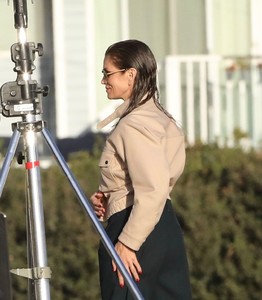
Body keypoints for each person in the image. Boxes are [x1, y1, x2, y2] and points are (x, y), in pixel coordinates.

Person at [90, 39, 192, 300]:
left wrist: (127, 242)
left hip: (134, 228)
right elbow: (158, 181)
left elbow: (153, 187)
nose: (103, 80)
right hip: (164, 227)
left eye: (108, 73)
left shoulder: (134, 124)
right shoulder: (161, 118)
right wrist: (108, 195)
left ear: (130, 74)